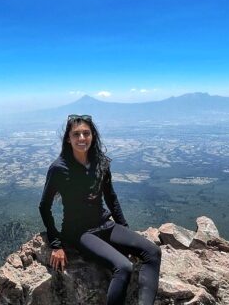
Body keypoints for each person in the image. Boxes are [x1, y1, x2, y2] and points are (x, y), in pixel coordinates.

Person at [38, 114, 162, 305]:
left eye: (86, 133)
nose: (81, 138)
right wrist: (56, 245)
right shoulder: (59, 168)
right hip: (80, 233)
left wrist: (125, 228)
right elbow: (44, 207)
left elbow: (111, 198)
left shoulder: (100, 163)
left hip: (105, 224)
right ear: (68, 138)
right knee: (123, 267)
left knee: (153, 252)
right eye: (76, 134)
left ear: (93, 136)